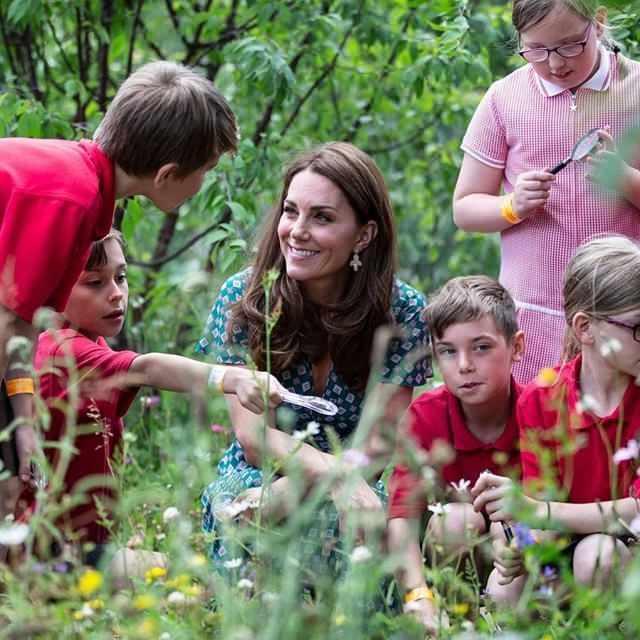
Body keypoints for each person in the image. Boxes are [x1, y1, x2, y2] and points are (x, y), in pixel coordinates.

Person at [0, 60, 237, 498]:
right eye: (206, 170)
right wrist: (21, 424)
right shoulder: (71, 195)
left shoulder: (84, 190)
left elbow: (19, 327)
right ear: (167, 174)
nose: (204, 182)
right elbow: (8, 327)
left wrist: (23, 420)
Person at [197, 141, 431, 571]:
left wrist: (320, 484)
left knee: (355, 522)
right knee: (247, 511)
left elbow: (378, 444)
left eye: (321, 217)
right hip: (261, 474)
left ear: (364, 234)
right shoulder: (244, 298)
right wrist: (329, 475)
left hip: (361, 478)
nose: (297, 230)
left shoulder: (403, 310)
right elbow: (253, 439)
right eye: (291, 211)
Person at [22, 229, 285, 573]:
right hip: (48, 554)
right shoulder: (62, 348)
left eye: (121, 277)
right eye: (94, 283)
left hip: (74, 542)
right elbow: (147, 369)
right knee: (197, 581)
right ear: (54, 286)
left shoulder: (87, 342)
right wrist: (230, 377)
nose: (116, 294)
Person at [453, 0, 640, 383]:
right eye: (536, 50)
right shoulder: (505, 98)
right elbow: (465, 208)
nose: (555, 63)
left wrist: (625, 180)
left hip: (625, 317)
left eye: (571, 45)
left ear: (598, 23)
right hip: (531, 316)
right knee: (534, 430)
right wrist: (512, 206)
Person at [472, 235, 640, 600]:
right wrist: (522, 544)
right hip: (566, 546)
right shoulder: (542, 399)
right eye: (638, 329)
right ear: (585, 328)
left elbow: (638, 513)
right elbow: (543, 503)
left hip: (627, 553)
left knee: (599, 557)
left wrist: (539, 512)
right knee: (504, 590)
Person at [386, 276, 525, 634]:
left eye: (481, 347)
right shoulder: (425, 416)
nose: (464, 365)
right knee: (457, 521)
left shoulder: (537, 413)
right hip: (447, 556)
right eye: (448, 351)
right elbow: (401, 518)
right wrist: (417, 595)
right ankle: (452, 620)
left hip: (518, 565)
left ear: (517, 347)